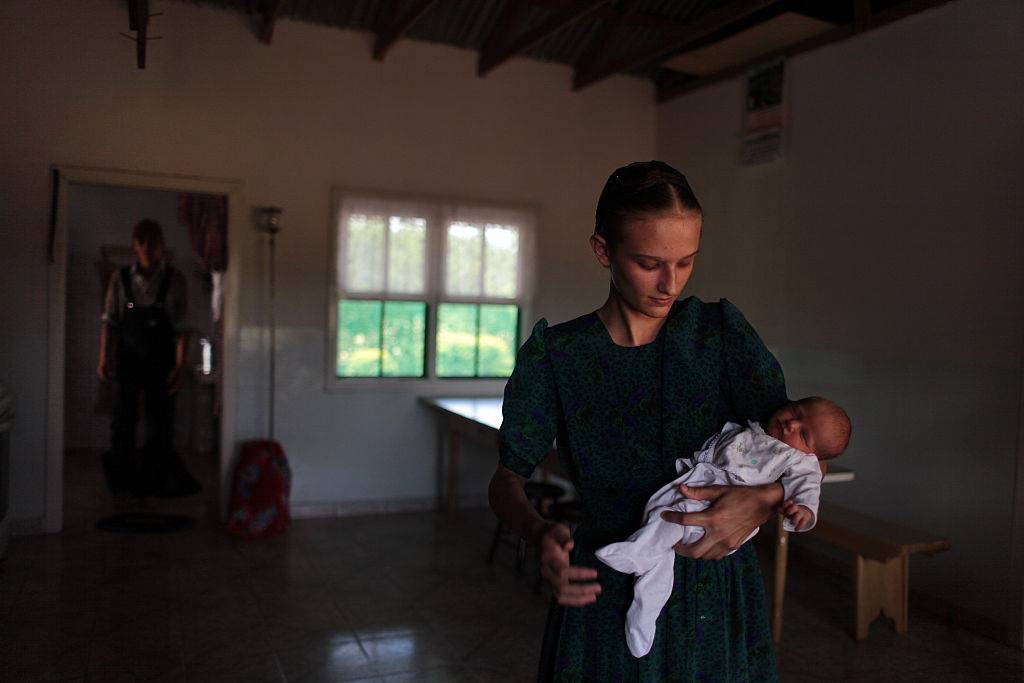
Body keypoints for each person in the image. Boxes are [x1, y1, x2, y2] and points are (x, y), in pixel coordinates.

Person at [489, 161, 793, 680]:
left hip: (713, 589)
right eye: (649, 263)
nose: (670, 284)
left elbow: (801, 451)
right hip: (605, 583)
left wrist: (761, 501)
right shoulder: (559, 356)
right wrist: (538, 533)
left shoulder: (718, 336)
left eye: (686, 262)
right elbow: (507, 479)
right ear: (604, 251)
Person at [596, 397, 852, 658]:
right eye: (797, 411)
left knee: (674, 518)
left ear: (812, 454)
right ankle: (642, 619)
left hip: (719, 510)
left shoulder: (800, 461)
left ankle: (639, 552)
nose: (791, 424)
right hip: (693, 485)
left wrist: (804, 511)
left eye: (804, 434)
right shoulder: (759, 428)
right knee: (661, 544)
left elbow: (810, 486)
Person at [97, 219, 196, 497]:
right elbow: (110, 321)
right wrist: (103, 356)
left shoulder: (175, 280)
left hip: (161, 362)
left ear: (162, 246)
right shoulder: (121, 278)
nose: (147, 249)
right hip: (127, 359)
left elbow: (183, 327)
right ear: (135, 246)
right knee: (122, 422)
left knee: (160, 424)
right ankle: (123, 485)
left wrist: (179, 364)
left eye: (153, 243)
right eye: (142, 243)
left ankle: (155, 483)